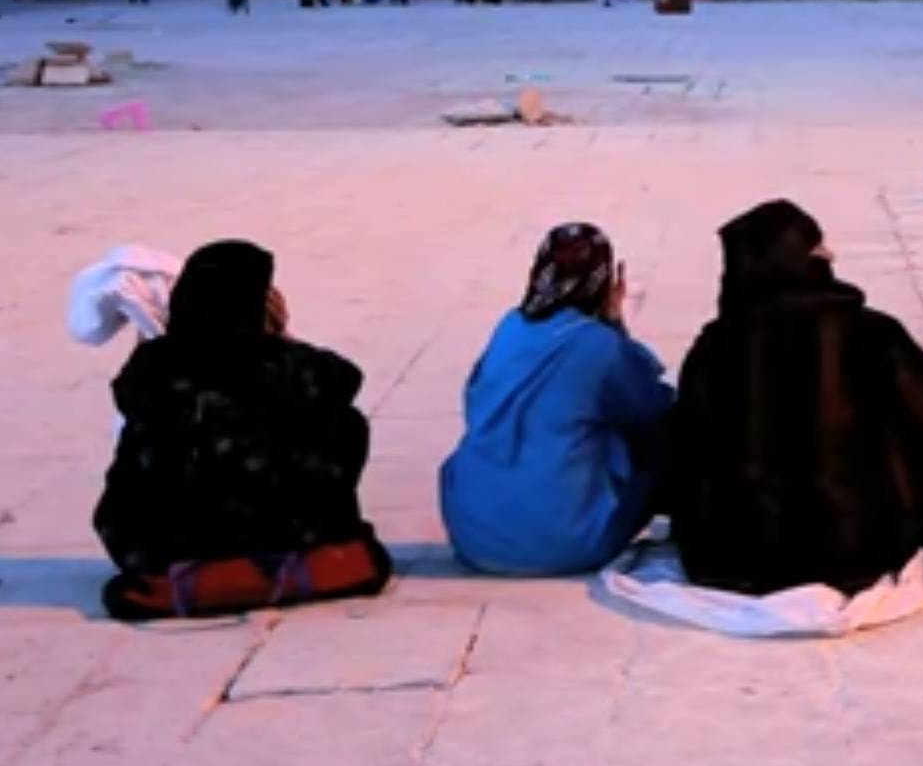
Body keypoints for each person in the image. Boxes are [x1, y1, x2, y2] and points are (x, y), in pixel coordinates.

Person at [664, 200, 923, 596]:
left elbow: (681, 447)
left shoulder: (714, 347)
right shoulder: (873, 333)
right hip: (864, 550)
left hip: (730, 556)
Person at [92, 241, 390, 620]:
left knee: (144, 435)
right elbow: (345, 379)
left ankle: (194, 582)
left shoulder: (153, 366)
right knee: (344, 422)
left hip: (170, 549)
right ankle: (289, 567)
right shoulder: (297, 366)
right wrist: (278, 339)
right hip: (296, 537)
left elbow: (130, 395)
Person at [440, 224, 674, 575]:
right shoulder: (599, 345)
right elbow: (653, 406)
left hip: (474, 540)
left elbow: (475, 399)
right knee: (661, 438)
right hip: (568, 546)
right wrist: (614, 325)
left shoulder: (509, 327)